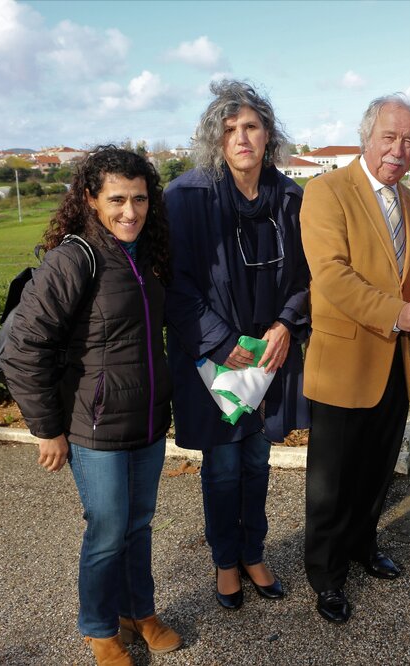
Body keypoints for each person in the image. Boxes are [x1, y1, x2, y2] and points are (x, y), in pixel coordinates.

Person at [3, 146, 180, 665]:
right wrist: (46, 428)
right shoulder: (72, 258)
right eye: (117, 199)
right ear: (91, 199)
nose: (131, 211)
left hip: (146, 421)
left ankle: (137, 611)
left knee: (139, 524)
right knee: (107, 529)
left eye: (140, 199)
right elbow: (24, 349)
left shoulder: (147, 256)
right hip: (93, 425)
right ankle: (99, 628)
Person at [164, 80, 309, 611]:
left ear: (268, 134)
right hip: (214, 360)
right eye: (229, 130)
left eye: (251, 126)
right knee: (223, 466)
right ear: (215, 140)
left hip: (267, 358)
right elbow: (173, 284)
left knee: (257, 460)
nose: (242, 137)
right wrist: (220, 340)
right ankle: (226, 561)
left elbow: (306, 275)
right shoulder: (186, 197)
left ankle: (254, 552)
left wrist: (286, 325)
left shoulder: (291, 198)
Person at [300, 94, 410, 624]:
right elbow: (332, 276)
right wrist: (399, 314)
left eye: (409, 140)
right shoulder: (325, 191)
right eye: (390, 136)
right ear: (367, 136)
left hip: (394, 365)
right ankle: (327, 575)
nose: (399, 149)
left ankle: (362, 545)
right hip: (343, 364)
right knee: (331, 482)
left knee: (377, 471)